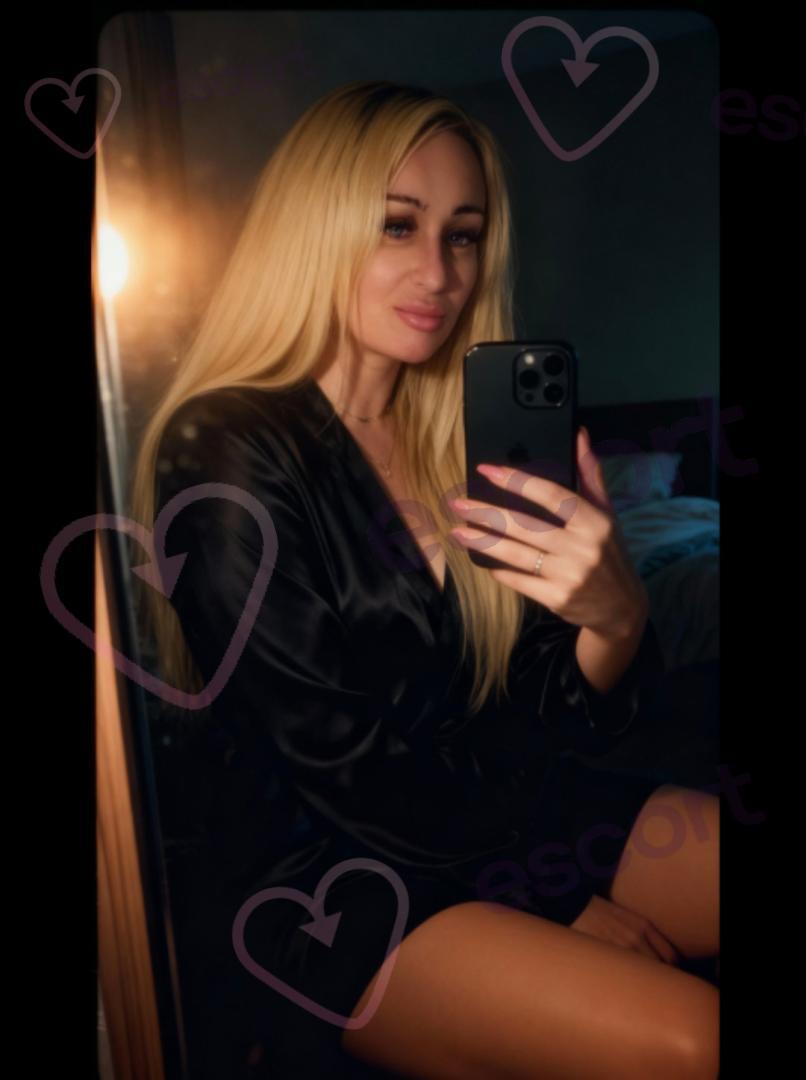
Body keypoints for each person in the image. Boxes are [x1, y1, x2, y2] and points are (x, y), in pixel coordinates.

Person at [132, 81, 719, 1080]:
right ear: (315, 228)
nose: (439, 272)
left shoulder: (466, 436)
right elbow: (337, 760)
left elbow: (558, 715)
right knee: (692, 1041)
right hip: (332, 872)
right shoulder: (227, 443)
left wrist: (615, 620)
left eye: (464, 235)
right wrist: (551, 896)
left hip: (511, 805)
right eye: (397, 225)